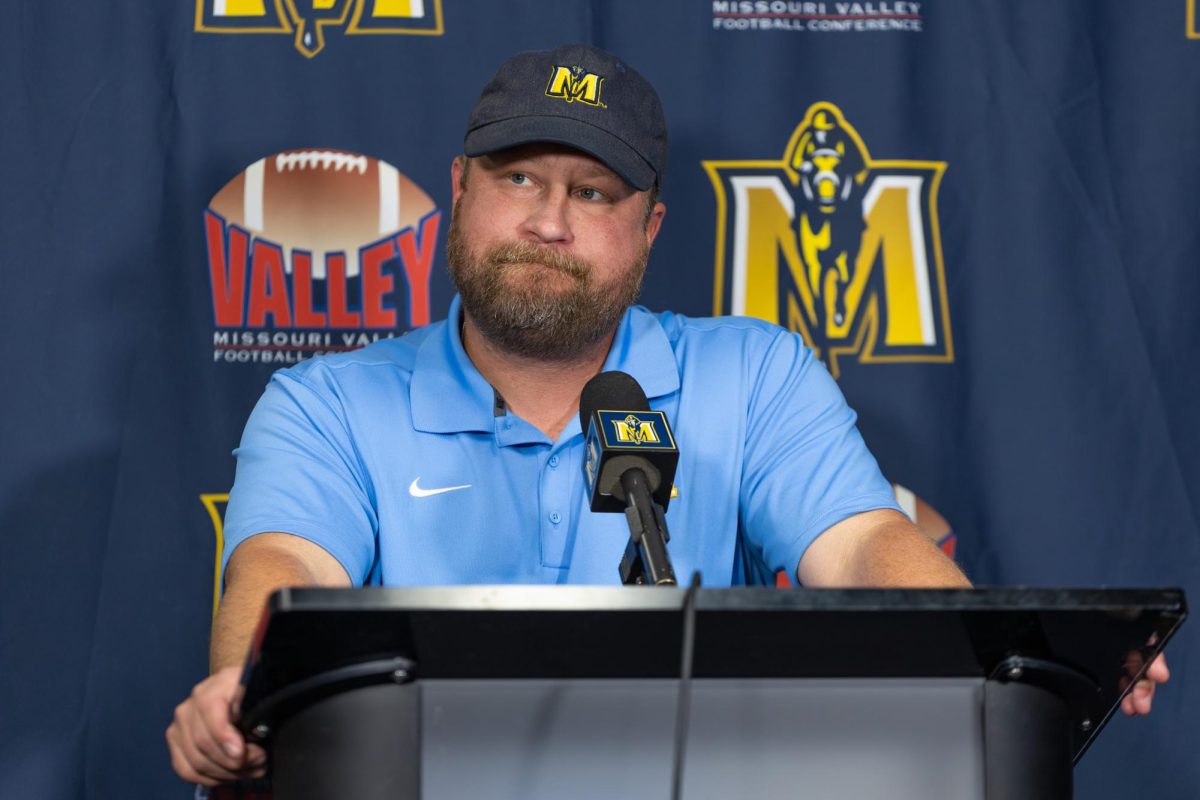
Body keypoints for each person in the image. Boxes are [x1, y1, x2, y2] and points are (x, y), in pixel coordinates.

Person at [166, 43, 1167, 787]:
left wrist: (997, 656)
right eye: (519, 177)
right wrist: (237, 690)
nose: (549, 220)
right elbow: (284, 565)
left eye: (594, 193)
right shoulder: (327, 399)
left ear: (647, 233)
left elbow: (863, 545)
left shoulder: (753, 371)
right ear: (461, 191)